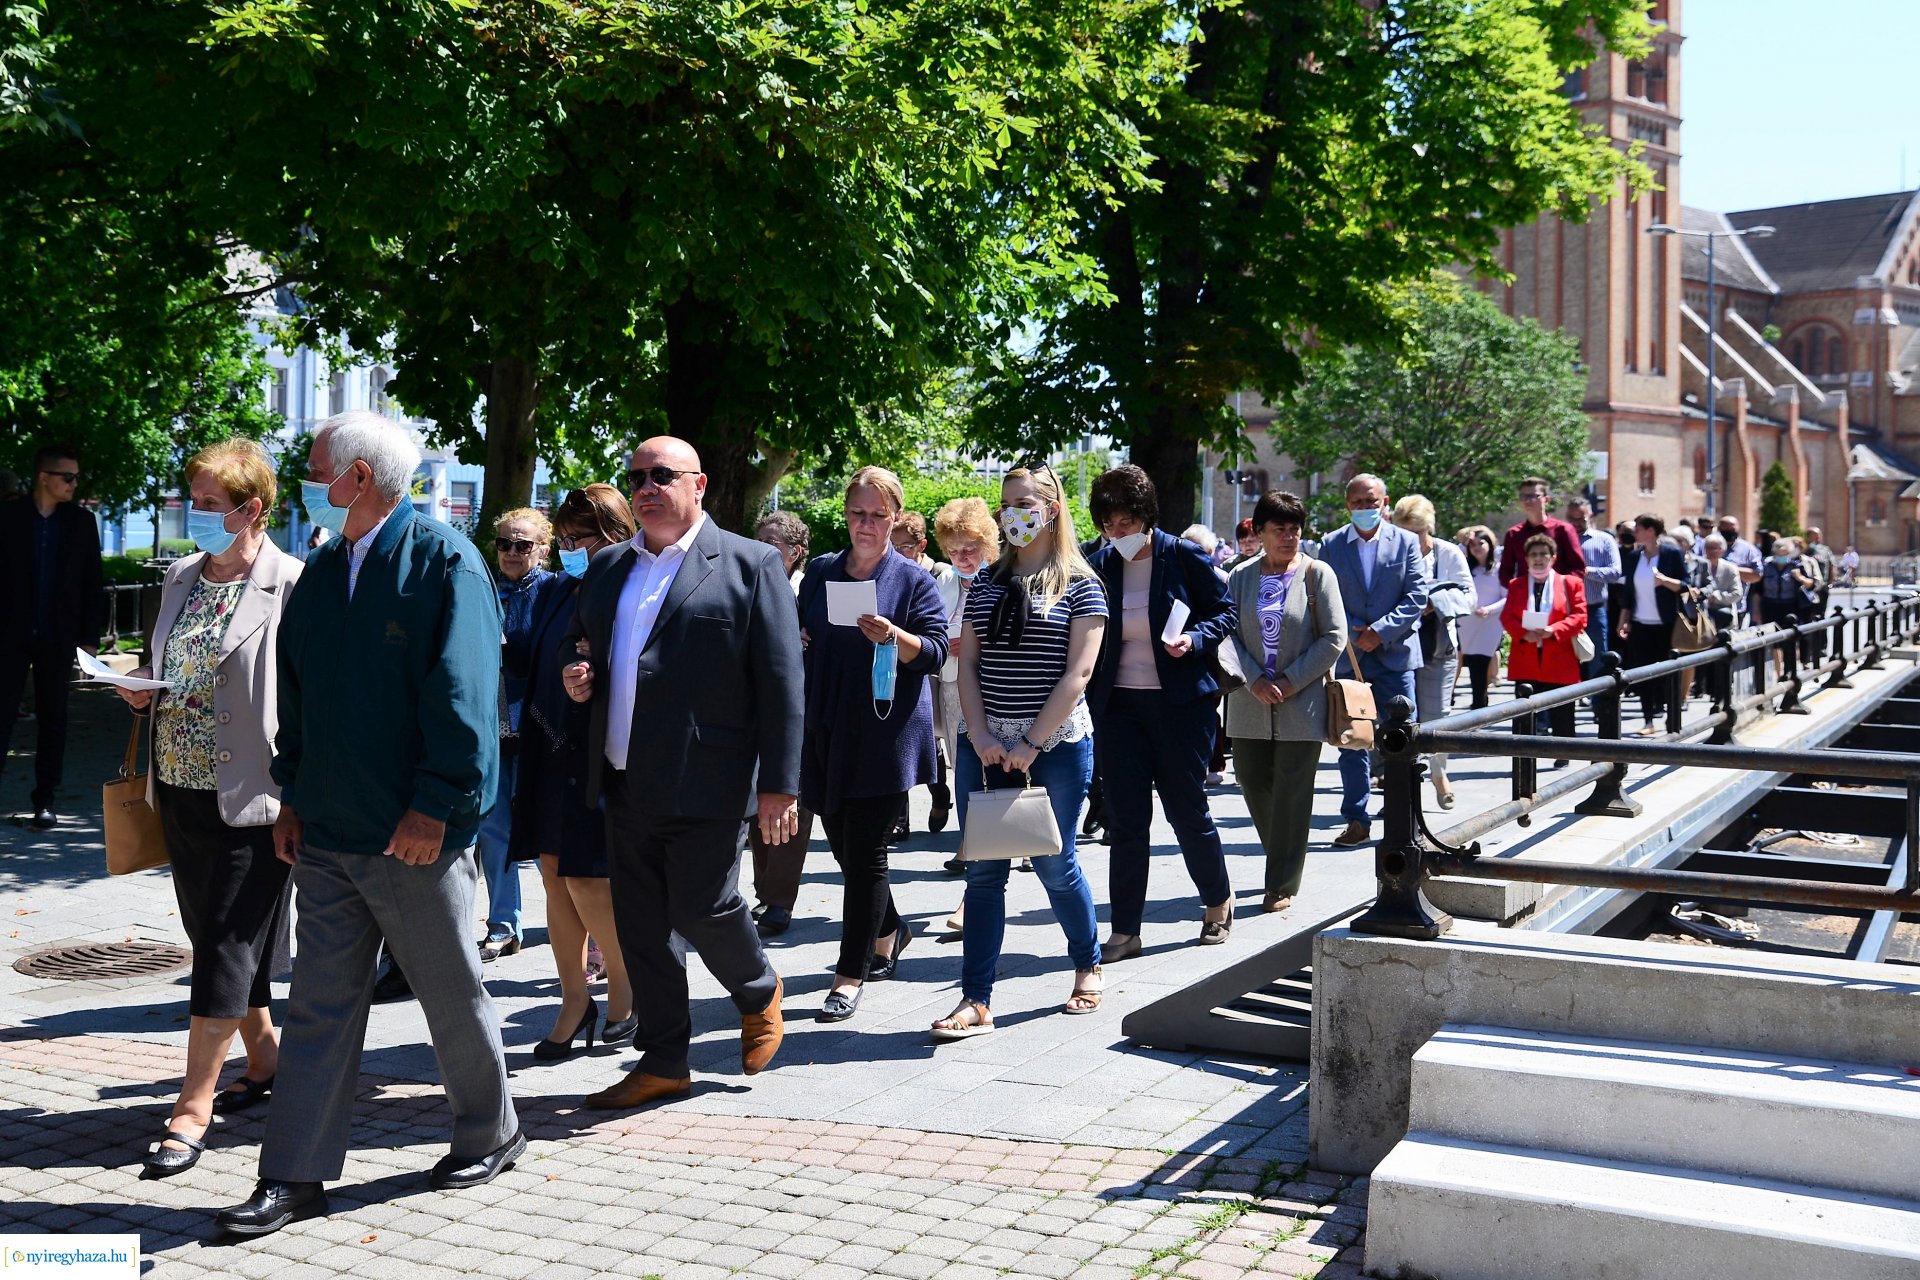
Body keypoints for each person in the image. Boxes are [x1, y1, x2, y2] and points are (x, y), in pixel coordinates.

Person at [216, 412, 519, 1237]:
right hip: (329, 831)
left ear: (357, 479)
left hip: (412, 832)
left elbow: (462, 701)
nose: (306, 478)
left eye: (317, 468)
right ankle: (292, 1175)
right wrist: (296, 796)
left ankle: (491, 1130)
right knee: (318, 1003)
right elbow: (302, 690)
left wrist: (436, 806)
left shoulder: (443, 562)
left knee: (449, 990)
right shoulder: (324, 568)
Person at [562, 437, 800, 1110]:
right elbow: (576, 639)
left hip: (709, 775)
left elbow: (783, 681)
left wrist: (781, 784)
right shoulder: (609, 566)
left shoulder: (751, 565)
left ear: (698, 485)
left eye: (661, 475)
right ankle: (665, 1060)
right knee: (640, 928)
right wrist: (576, 670)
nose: (646, 486)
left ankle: (759, 989)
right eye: (636, 477)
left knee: (703, 905)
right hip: (622, 774)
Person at [117, 441, 300, 1179]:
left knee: (225, 943)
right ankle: (268, 1061)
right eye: (190, 498)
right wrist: (137, 680)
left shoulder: (292, 582)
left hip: (255, 800)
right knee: (217, 937)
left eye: (209, 503)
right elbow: (166, 664)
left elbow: (312, 695)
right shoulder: (183, 577)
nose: (195, 514)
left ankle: (191, 1110)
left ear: (252, 509)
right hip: (181, 791)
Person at [931, 464, 1106, 1041]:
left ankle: (1087, 963)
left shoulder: (1081, 584)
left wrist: (1030, 743)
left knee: (1057, 866)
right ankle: (976, 999)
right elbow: (971, 666)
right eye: (1007, 504)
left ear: (1053, 508)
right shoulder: (986, 584)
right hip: (984, 743)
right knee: (983, 873)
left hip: (1053, 746)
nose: (1014, 514)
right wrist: (980, 737)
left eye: (1025, 502)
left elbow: (1078, 674)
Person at [794, 468, 949, 1021]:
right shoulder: (820, 571)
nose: (866, 524)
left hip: (885, 733)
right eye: (858, 513)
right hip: (827, 727)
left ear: (896, 519)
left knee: (866, 858)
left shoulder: (913, 580)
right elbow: (796, 627)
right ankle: (889, 929)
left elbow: (935, 653)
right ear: (846, 512)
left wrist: (894, 635)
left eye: (878, 516)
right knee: (844, 849)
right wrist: (802, 635)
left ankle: (848, 975)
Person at [1086, 465, 1237, 961]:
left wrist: (1194, 639)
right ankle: (1125, 930)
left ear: (1146, 516)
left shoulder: (1182, 554)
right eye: (1107, 524)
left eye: (1125, 523)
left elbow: (1225, 611)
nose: (1116, 534)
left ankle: (1217, 900)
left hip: (1179, 705)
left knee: (1186, 809)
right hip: (1118, 706)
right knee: (1126, 820)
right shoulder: (1098, 561)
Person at [510, 485, 638, 1059]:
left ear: (614, 534)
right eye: (561, 540)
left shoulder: (632, 585)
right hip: (549, 746)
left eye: (578, 539)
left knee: (589, 880)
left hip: (601, 753)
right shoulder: (559, 589)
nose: (568, 549)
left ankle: (628, 992)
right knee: (553, 877)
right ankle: (573, 998)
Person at [1225, 491, 1345, 913]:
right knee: (1253, 782)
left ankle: (1281, 881)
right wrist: (1255, 678)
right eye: (1279, 529)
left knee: (1294, 792)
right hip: (1247, 701)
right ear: (1259, 532)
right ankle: (1283, 854)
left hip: (1302, 703)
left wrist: (1292, 681)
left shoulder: (1318, 574)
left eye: (1295, 529)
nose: (1289, 537)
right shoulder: (1238, 576)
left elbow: (1334, 637)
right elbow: (1227, 634)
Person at [1316, 474, 1429, 847]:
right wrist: (1352, 635)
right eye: (1358, 502)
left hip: (1395, 656)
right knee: (1352, 740)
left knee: (1402, 740)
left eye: (1372, 501)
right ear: (1347, 505)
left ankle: (1406, 817)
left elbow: (1416, 596)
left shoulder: (1407, 542)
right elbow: (1322, 598)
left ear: (1385, 502)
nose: (1366, 508)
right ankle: (1356, 819)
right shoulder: (1331, 545)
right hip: (1350, 660)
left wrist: (1379, 631)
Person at [0, 444, 105, 828]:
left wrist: (89, 640)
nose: (74, 483)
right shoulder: (9, 517)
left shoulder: (80, 522)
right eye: (68, 477)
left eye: (76, 476)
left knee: (53, 719)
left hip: (57, 638)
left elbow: (93, 583)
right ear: (44, 477)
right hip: (9, 637)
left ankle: (45, 799)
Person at [476, 507, 553, 960]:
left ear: (543, 549)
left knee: (544, 834)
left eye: (522, 544)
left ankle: (580, 925)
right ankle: (504, 925)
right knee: (494, 827)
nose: (510, 552)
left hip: (539, 728)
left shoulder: (555, 592)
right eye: (504, 543)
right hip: (491, 728)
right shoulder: (483, 588)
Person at [930, 497, 999, 894]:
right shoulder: (943, 580)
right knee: (962, 764)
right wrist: (945, 642)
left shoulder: (1002, 577)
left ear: (987, 545)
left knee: (993, 764)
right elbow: (935, 624)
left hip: (992, 684)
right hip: (953, 682)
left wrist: (972, 643)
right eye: (954, 551)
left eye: (970, 550)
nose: (962, 558)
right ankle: (970, 839)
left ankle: (1001, 840)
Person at [749, 510, 814, 935]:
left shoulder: (807, 590)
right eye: (761, 541)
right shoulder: (747, 580)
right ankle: (764, 892)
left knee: (791, 807)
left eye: (774, 544)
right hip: (753, 710)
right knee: (756, 805)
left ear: (795, 553)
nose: (764, 551)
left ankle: (780, 900)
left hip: (799, 712)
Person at [1393, 495, 1471, 809]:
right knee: (1401, 718)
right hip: (1399, 646)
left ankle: (1439, 775)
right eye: (1405, 532)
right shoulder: (1392, 553)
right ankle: (1403, 783)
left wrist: (1434, 602)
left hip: (1438, 645)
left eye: (1418, 532)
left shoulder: (1447, 553)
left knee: (1437, 717)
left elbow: (1469, 597)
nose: (1412, 539)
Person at [887, 508, 953, 843]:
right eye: (893, 545)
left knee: (931, 742)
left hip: (935, 669)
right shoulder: (887, 571)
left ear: (921, 545)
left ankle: (940, 794)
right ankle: (899, 819)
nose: (899, 552)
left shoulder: (938, 573)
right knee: (899, 739)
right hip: (895, 666)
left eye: (906, 546)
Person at [1500, 533, 1589, 747]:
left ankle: (1564, 752)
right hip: (1527, 656)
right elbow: (1507, 616)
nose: (1538, 558)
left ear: (1553, 557)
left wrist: (1554, 629)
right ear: (1526, 559)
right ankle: (1524, 754)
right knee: (1525, 714)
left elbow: (1580, 616)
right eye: (1533, 554)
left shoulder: (1571, 583)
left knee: (1563, 712)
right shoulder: (1516, 584)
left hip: (1560, 655)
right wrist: (1523, 633)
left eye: (1543, 554)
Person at [1617, 513, 1689, 734]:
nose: (1634, 533)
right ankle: (1648, 721)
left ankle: (1672, 719)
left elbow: (1686, 585)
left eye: (1637, 528)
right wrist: (1623, 621)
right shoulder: (1634, 557)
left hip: (1667, 624)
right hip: (1640, 624)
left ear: (1650, 530)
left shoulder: (1671, 554)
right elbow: (1628, 592)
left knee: (1669, 674)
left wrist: (1664, 581)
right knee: (1644, 674)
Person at [1565, 498, 1621, 682]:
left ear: (1590, 515)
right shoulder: (1560, 539)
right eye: (1572, 519)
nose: (1576, 523)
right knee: (1566, 659)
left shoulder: (1604, 540)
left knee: (1598, 658)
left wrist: (1588, 571)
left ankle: (1600, 705)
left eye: (1581, 518)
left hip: (1593, 609)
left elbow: (1615, 573)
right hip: (1565, 611)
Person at [1498, 477, 1585, 585]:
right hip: (1526, 598)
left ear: (1546, 499)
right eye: (1523, 496)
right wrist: (1519, 591)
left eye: (1533, 496)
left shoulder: (1564, 530)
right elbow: (1505, 573)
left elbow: (1578, 568)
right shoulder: (1514, 534)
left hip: (1559, 597)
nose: (1527, 500)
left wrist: (1561, 588)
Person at [1457, 526, 1504, 710]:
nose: (1476, 547)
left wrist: (1489, 610)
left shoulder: (1499, 569)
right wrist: (1465, 539)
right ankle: (1478, 702)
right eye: (1473, 544)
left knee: (1483, 662)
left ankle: (1480, 700)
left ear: (1490, 545)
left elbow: (1506, 597)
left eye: (1481, 543)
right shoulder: (1464, 569)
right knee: (1471, 662)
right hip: (1467, 622)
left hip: (1490, 623)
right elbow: (1455, 551)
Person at [1760, 535, 1822, 675]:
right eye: (1779, 554)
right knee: (1774, 641)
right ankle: (1776, 671)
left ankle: (1789, 670)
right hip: (1770, 606)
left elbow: (1813, 585)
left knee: (1789, 640)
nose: (1782, 557)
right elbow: (1758, 590)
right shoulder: (1767, 567)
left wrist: (1800, 578)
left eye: (1785, 554)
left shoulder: (1797, 566)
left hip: (1791, 608)